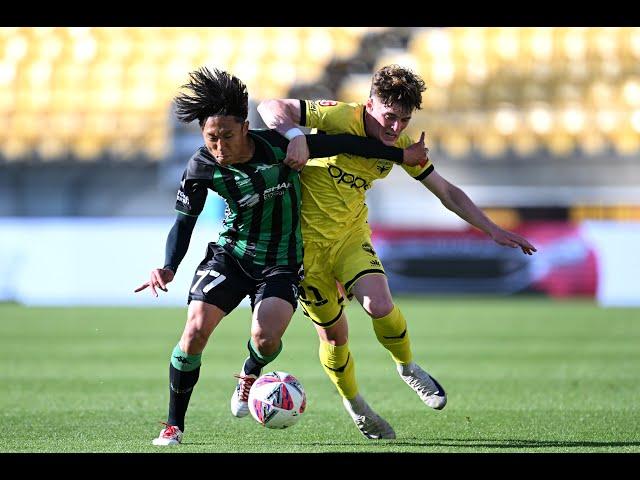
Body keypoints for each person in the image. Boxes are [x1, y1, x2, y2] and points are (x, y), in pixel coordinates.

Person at [134, 66, 429, 446]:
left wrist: (401, 153)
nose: (219, 147)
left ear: (244, 127)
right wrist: (169, 266)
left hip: (281, 263)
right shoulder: (201, 167)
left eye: (226, 136)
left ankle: (250, 372)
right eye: (211, 138)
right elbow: (184, 223)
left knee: (266, 336)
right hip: (233, 254)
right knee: (193, 332)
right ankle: (174, 425)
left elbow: (346, 144)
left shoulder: (278, 146)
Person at [257, 64, 537, 439]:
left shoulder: (403, 146)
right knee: (335, 338)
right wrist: (294, 134)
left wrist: (492, 228)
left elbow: (446, 191)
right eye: (389, 117)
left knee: (379, 305)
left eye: (403, 120)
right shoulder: (339, 116)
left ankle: (407, 367)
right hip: (304, 250)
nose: (395, 128)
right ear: (369, 104)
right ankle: (356, 406)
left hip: (349, 237)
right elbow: (270, 106)